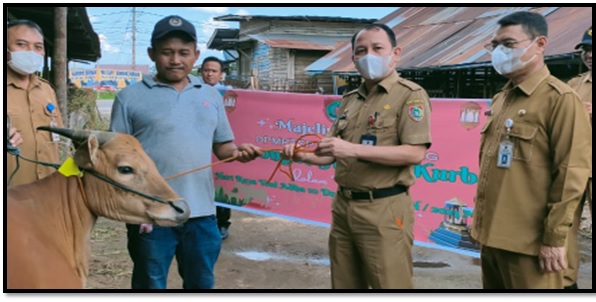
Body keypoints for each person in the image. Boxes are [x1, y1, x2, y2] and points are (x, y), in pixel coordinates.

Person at [109, 15, 263, 289]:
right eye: (167, 52)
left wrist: (239, 151)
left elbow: (223, 146)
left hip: (202, 214)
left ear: (196, 56)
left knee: (201, 283)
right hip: (150, 214)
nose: (175, 60)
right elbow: (117, 157)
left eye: (183, 53)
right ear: (152, 54)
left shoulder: (210, 96)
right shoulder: (129, 97)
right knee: (150, 283)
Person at [283, 23, 432, 289]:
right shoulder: (350, 99)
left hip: (384, 208)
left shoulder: (410, 96)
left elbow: (415, 152)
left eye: (378, 48)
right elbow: (329, 154)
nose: (369, 56)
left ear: (395, 53)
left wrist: (352, 149)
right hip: (344, 206)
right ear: (353, 59)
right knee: (344, 282)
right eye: (361, 51)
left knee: (390, 284)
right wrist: (302, 156)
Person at [471, 11, 592, 289]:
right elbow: (492, 170)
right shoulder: (502, 98)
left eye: (508, 44)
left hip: (529, 245)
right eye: (495, 45)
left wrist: (553, 239)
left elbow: (570, 176)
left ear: (539, 44)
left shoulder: (560, 100)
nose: (499, 52)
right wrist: (479, 224)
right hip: (492, 239)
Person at [6, 19, 64, 187]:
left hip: (47, 192)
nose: (31, 52)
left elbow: (58, 137)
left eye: (38, 47)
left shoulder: (46, 90)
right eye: (22, 44)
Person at [563, 25, 593, 290]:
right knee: (565, 222)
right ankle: (568, 283)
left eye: (594, 49)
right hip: (576, 164)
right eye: (585, 49)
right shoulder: (574, 84)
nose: (590, 54)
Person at [199, 56, 233, 240]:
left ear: (221, 75)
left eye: (214, 71)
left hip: (224, 145)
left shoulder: (231, 95)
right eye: (206, 70)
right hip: (202, 147)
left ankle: (222, 224)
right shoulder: (193, 92)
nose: (210, 74)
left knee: (224, 185)